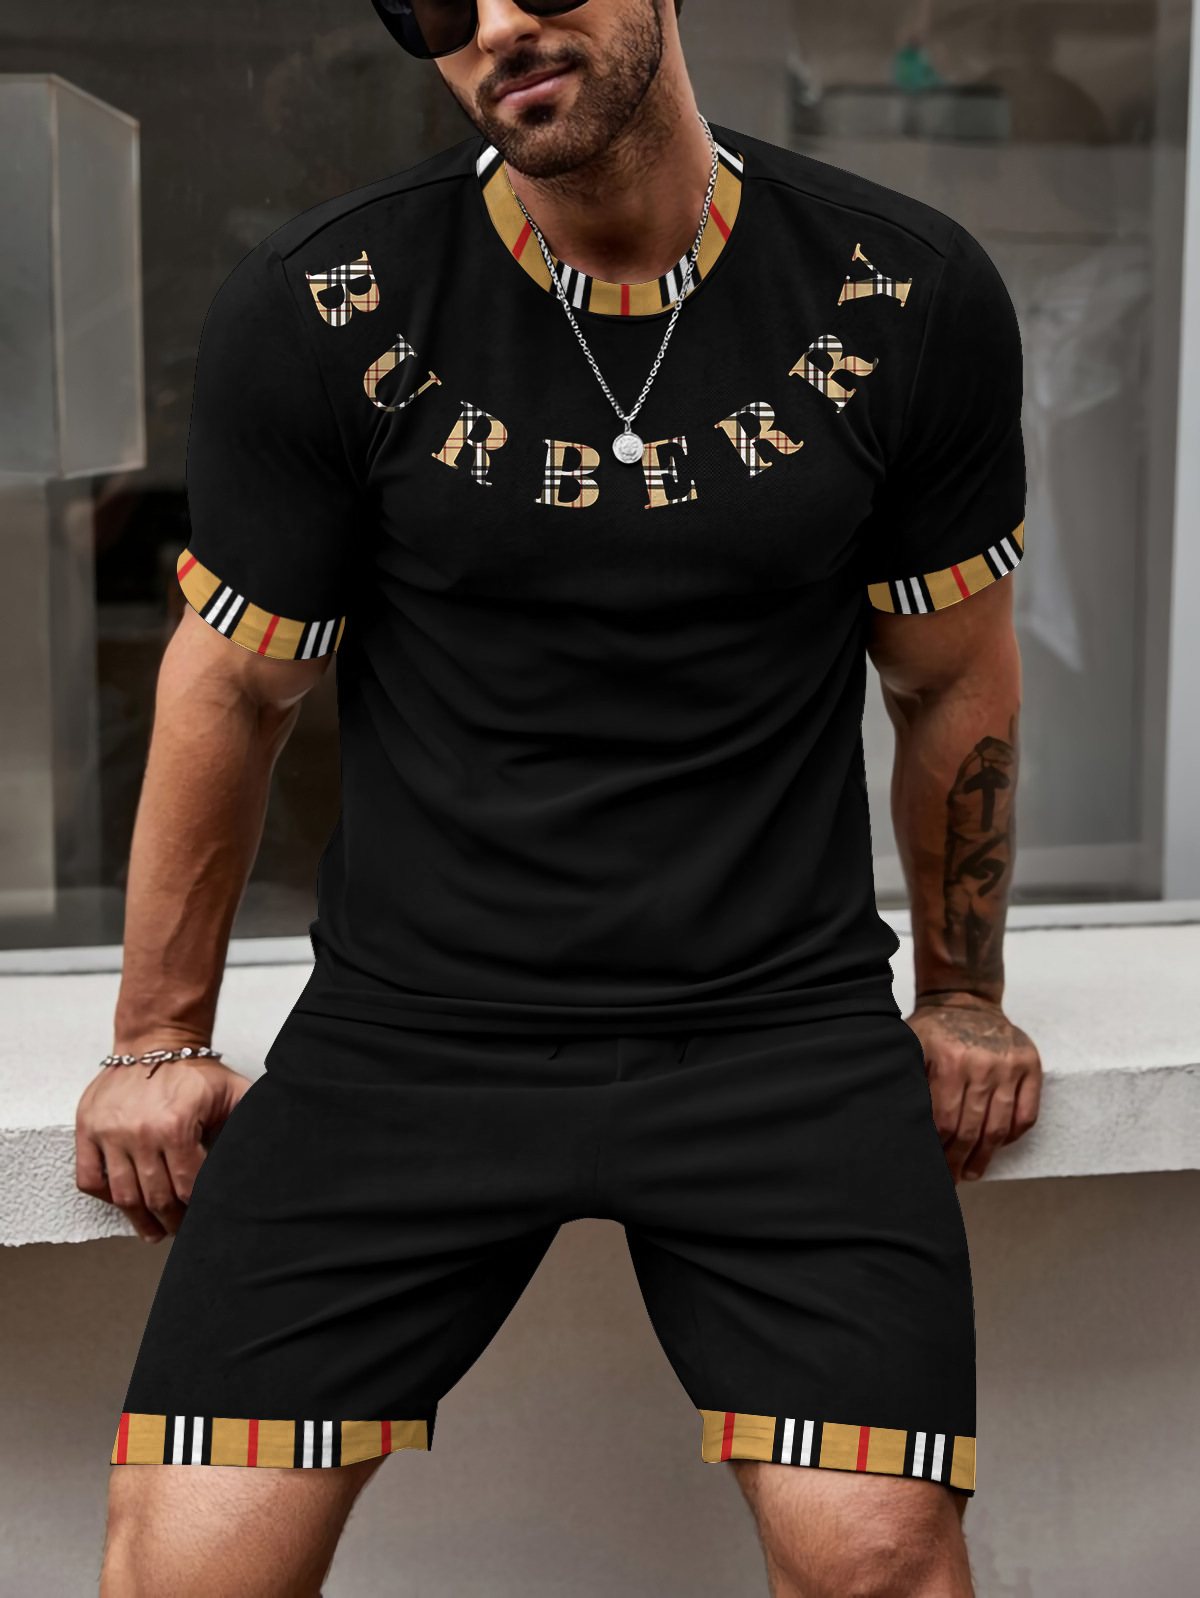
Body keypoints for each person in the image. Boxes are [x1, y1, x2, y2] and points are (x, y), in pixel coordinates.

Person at [78, 1, 1043, 1593]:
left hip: (774, 1028)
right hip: (417, 1026)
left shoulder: (902, 290)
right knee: (187, 1561)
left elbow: (948, 681)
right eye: (435, 4)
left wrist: (964, 994)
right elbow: (235, 685)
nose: (495, 24)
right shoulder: (329, 300)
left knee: (877, 1548)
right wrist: (156, 1038)